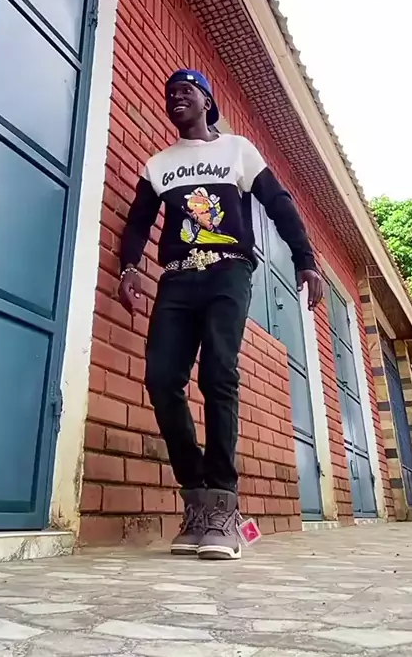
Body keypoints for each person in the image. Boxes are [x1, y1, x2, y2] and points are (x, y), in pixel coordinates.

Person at [118, 69, 323, 560]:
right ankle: (197, 499)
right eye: (170, 94)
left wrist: (306, 259)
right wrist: (128, 267)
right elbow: (140, 221)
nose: (176, 98)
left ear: (207, 102)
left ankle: (223, 506)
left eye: (186, 91)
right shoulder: (159, 165)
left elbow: (279, 204)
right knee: (161, 379)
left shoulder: (238, 150)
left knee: (217, 375)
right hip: (177, 278)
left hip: (228, 272)